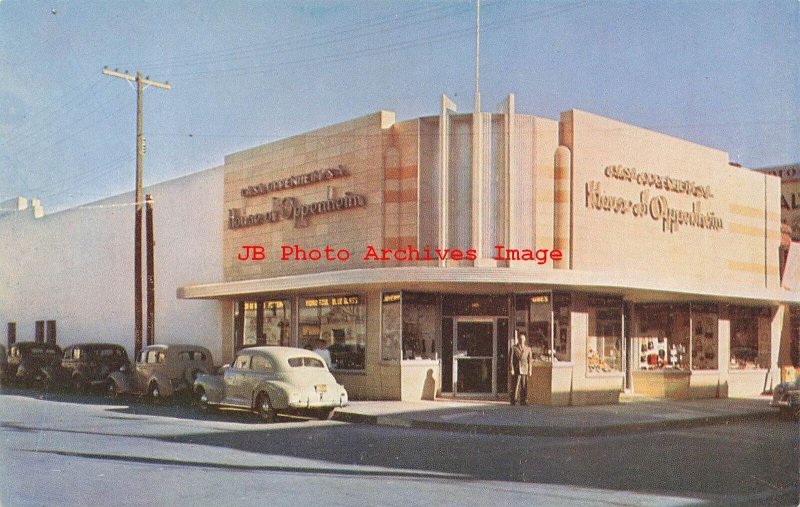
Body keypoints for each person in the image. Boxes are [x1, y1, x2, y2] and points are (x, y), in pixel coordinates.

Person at [509, 332, 533, 405]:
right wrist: (511, 369)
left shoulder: (528, 349)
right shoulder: (514, 348)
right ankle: (513, 400)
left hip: (524, 369)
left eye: (523, 339)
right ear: (518, 340)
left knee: (524, 385)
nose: (521, 340)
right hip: (516, 369)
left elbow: (530, 360)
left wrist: (530, 370)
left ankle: (524, 400)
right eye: (520, 339)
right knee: (515, 385)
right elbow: (510, 360)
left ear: (525, 340)